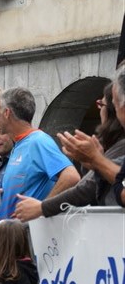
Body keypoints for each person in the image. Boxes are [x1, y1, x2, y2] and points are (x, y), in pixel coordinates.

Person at [14, 80, 125, 221]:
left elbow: (84, 186)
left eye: (101, 105)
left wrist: (42, 207)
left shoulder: (39, 140)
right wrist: (95, 163)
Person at [0, 87, 79, 220]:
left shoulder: (38, 141)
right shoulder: (19, 144)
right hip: (9, 230)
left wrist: (42, 208)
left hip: (28, 231)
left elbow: (71, 176)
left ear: (6, 113)